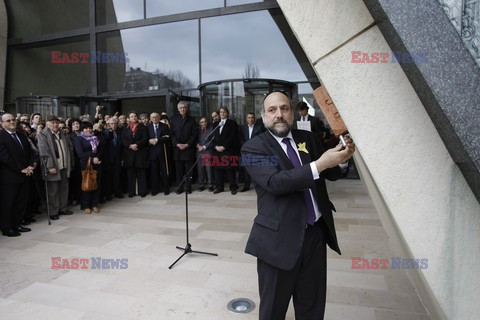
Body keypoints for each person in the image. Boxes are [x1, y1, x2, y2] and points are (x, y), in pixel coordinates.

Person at [241, 91, 355, 320]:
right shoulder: (252, 148)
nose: (279, 115)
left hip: (314, 236)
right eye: (272, 110)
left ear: (292, 113)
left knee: (312, 307)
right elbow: (274, 183)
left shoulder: (308, 139)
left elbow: (330, 172)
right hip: (277, 242)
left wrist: (343, 159)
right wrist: (319, 165)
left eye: (284, 108)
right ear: (264, 116)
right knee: (273, 310)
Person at [0, 114, 35, 237]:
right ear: (2, 123)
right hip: (9, 177)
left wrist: (31, 165)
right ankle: (7, 227)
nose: (11, 122)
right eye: (8, 120)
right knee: (8, 203)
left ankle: (17, 224)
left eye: (13, 120)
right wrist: (21, 169)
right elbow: (4, 158)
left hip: (25, 174)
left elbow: (31, 152)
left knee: (21, 201)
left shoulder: (21, 135)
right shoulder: (1, 137)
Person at [37, 115, 74, 220]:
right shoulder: (43, 135)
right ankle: (53, 211)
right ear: (47, 124)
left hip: (64, 165)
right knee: (53, 191)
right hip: (53, 167)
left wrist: (70, 164)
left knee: (64, 188)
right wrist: (50, 166)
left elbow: (69, 149)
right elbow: (44, 152)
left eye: (56, 122)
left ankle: (63, 208)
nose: (55, 124)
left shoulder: (62, 133)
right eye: (52, 123)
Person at [75, 122, 104, 214]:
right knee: (87, 184)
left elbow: (101, 150)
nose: (88, 130)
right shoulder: (79, 139)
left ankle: (95, 204)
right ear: (82, 130)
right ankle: (86, 205)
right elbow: (80, 153)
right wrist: (92, 159)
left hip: (97, 163)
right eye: (86, 128)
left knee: (96, 184)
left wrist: (97, 158)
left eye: (90, 128)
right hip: (86, 164)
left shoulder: (96, 138)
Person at [170, 101, 197, 194]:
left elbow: (194, 135)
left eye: (184, 107)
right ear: (178, 109)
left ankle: (188, 188)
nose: (183, 109)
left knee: (189, 170)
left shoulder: (192, 120)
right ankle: (180, 187)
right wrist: (177, 144)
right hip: (177, 149)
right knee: (179, 170)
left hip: (188, 149)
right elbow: (171, 134)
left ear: (187, 108)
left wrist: (187, 144)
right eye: (181, 108)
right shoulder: (173, 119)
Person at [212, 106, 238, 195]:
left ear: (227, 113)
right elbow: (213, 138)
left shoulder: (232, 123)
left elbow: (233, 137)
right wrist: (215, 146)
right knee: (218, 170)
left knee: (229, 169)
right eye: (221, 112)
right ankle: (219, 187)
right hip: (217, 150)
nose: (222, 113)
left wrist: (224, 147)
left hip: (227, 150)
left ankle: (233, 187)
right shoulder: (215, 124)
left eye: (224, 112)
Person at [122, 112, 149, 198]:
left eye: (135, 116)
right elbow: (123, 139)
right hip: (129, 153)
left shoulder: (143, 127)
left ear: (137, 117)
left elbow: (145, 138)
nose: (133, 117)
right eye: (131, 116)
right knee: (130, 174)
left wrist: (137, 145)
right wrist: (130, 146)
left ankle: (142, 191)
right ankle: (131, 192)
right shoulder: (125, 128)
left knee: (141, 173)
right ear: (129, 118)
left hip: (140, 152)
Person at [147, 112, 170, 196]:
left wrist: (157, 140)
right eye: (152, 117)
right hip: (152, 153)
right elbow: (146, 139)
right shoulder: (148, 127)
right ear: (150, 118)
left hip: (162, 152)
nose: (154, 119)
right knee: (154, 172)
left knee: (164, 171)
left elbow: (167, 138)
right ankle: (155, 189)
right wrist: (149, 141)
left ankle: (166, 189)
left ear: (159, 117)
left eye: (156, 117)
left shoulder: (164, 126)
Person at [238, 112, 262, 192]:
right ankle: (246, 186)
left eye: (252, 117)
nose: (250, 119)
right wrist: (246, 146)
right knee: (246, 170)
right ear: (246, 119)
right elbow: (240, 139)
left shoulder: (259, 128)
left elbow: (260, 139)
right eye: (249, 117)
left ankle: (258, 186)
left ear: (254, 119)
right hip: (246, 151)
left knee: (257, 169)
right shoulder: (243, 128)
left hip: (255, 152)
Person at [104, 117, 124, 199]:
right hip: (108, 158)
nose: (113, 125)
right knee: (108, 177)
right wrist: (109, 132)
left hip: (118, 157)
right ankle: (108, 194)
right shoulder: (105, 132)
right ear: (108, 124)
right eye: (111, 123)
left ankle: (117, 192)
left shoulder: (120, 132)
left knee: (117, 176)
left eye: (115, 123)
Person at [196, 117, 214, 192]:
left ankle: (210, 185)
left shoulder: (211, 129)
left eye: (205, 121)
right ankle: (201, 185)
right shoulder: (197, 130)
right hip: (198, 151)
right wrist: (197, 145)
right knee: (200, 169)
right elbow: (194, 139)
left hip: (207, 151)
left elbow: (213, 140)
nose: (204, 123)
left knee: (209, 169)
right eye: (202, 122)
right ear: (199, 123)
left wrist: (204, 147)